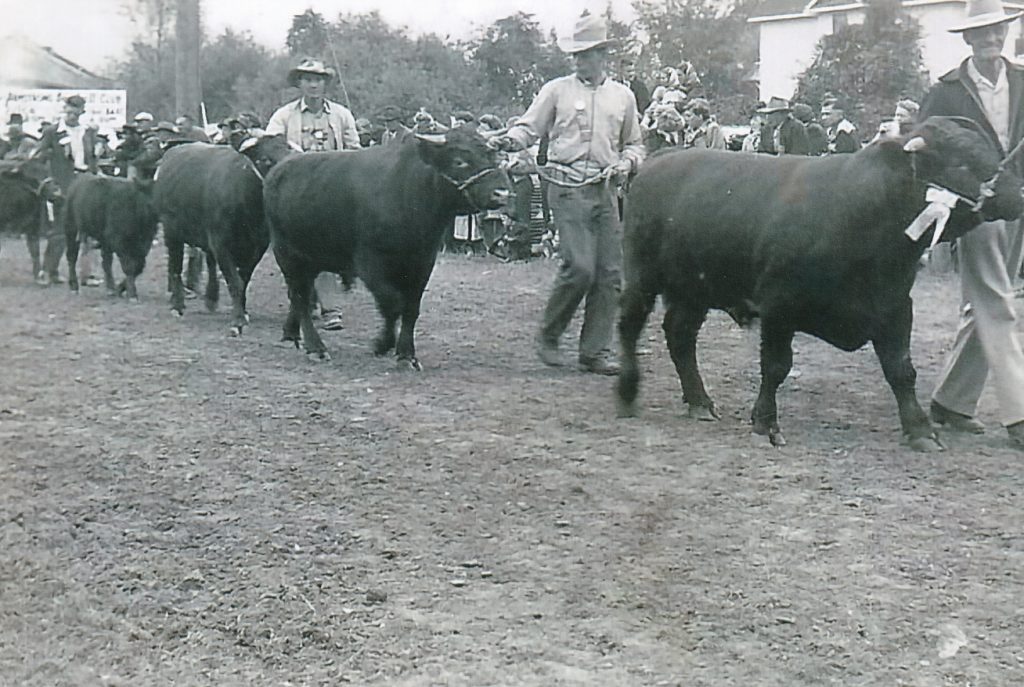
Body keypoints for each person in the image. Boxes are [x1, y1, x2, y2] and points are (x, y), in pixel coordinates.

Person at [495, 12, 645, 375]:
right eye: (576, 54)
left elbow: (635, 145)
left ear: (602, 56)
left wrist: (626, 164)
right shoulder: (556, 90)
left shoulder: (622, 97)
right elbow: (528, 129)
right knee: (580, 267)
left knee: (609, 274)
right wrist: (508, 140)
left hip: (606, 191)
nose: (579, 60)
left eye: (586, 53)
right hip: (565, 188)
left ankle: (593, 352)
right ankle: (549, 336)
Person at [918, 0, 1024, 449]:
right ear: (967, 39)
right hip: (974, 208)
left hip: (1017, 204)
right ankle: (1020, 413)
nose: (990, 39)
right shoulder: (946, 91)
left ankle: (951, 402)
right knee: (997, 300)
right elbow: (927, 147)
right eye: (980, 33)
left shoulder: (1021, 80)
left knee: (995, 298)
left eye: (997, 30)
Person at [266, 57, 361, 331]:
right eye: (308, 79)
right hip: (297, 192)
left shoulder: (341, 115)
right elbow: (271, 148)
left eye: (318, 79)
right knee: (295, 249)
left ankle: (330, 308)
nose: (314, 85)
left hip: (334, 190)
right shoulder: (284, 116)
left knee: (328, 246)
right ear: (299, 84)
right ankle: (303, 301)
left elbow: (355, 148)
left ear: (325, 84)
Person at [30, 94, 97, 285]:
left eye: (76, 113)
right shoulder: (52, 132)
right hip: (63, 186)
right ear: (64, 110)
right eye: (69, 112)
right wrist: (50, 183)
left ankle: (86, 274)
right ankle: (48, 271)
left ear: (82, 112)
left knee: (87, 230)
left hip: (86, 183)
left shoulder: (88, 133)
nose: (72, 116)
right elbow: (37, 159)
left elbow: (92, 159)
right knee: (60, 230)